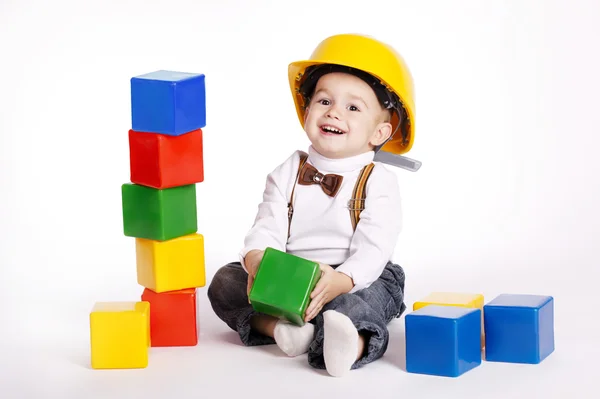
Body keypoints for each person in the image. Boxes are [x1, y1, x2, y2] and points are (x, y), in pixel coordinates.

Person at [207, 33, 417, 377]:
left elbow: (375, 246)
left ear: (379, 133)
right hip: (291, 275)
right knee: (225, 281)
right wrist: (258, 257)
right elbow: (268, 223)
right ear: (306, 111)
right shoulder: (288, 170)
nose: (334, 112)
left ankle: (352, 342)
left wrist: (343, 279)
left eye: (352, 107)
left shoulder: (377, 181)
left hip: (351, 277)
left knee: (364, 300)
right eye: (324, 101)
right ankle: (282, 329)